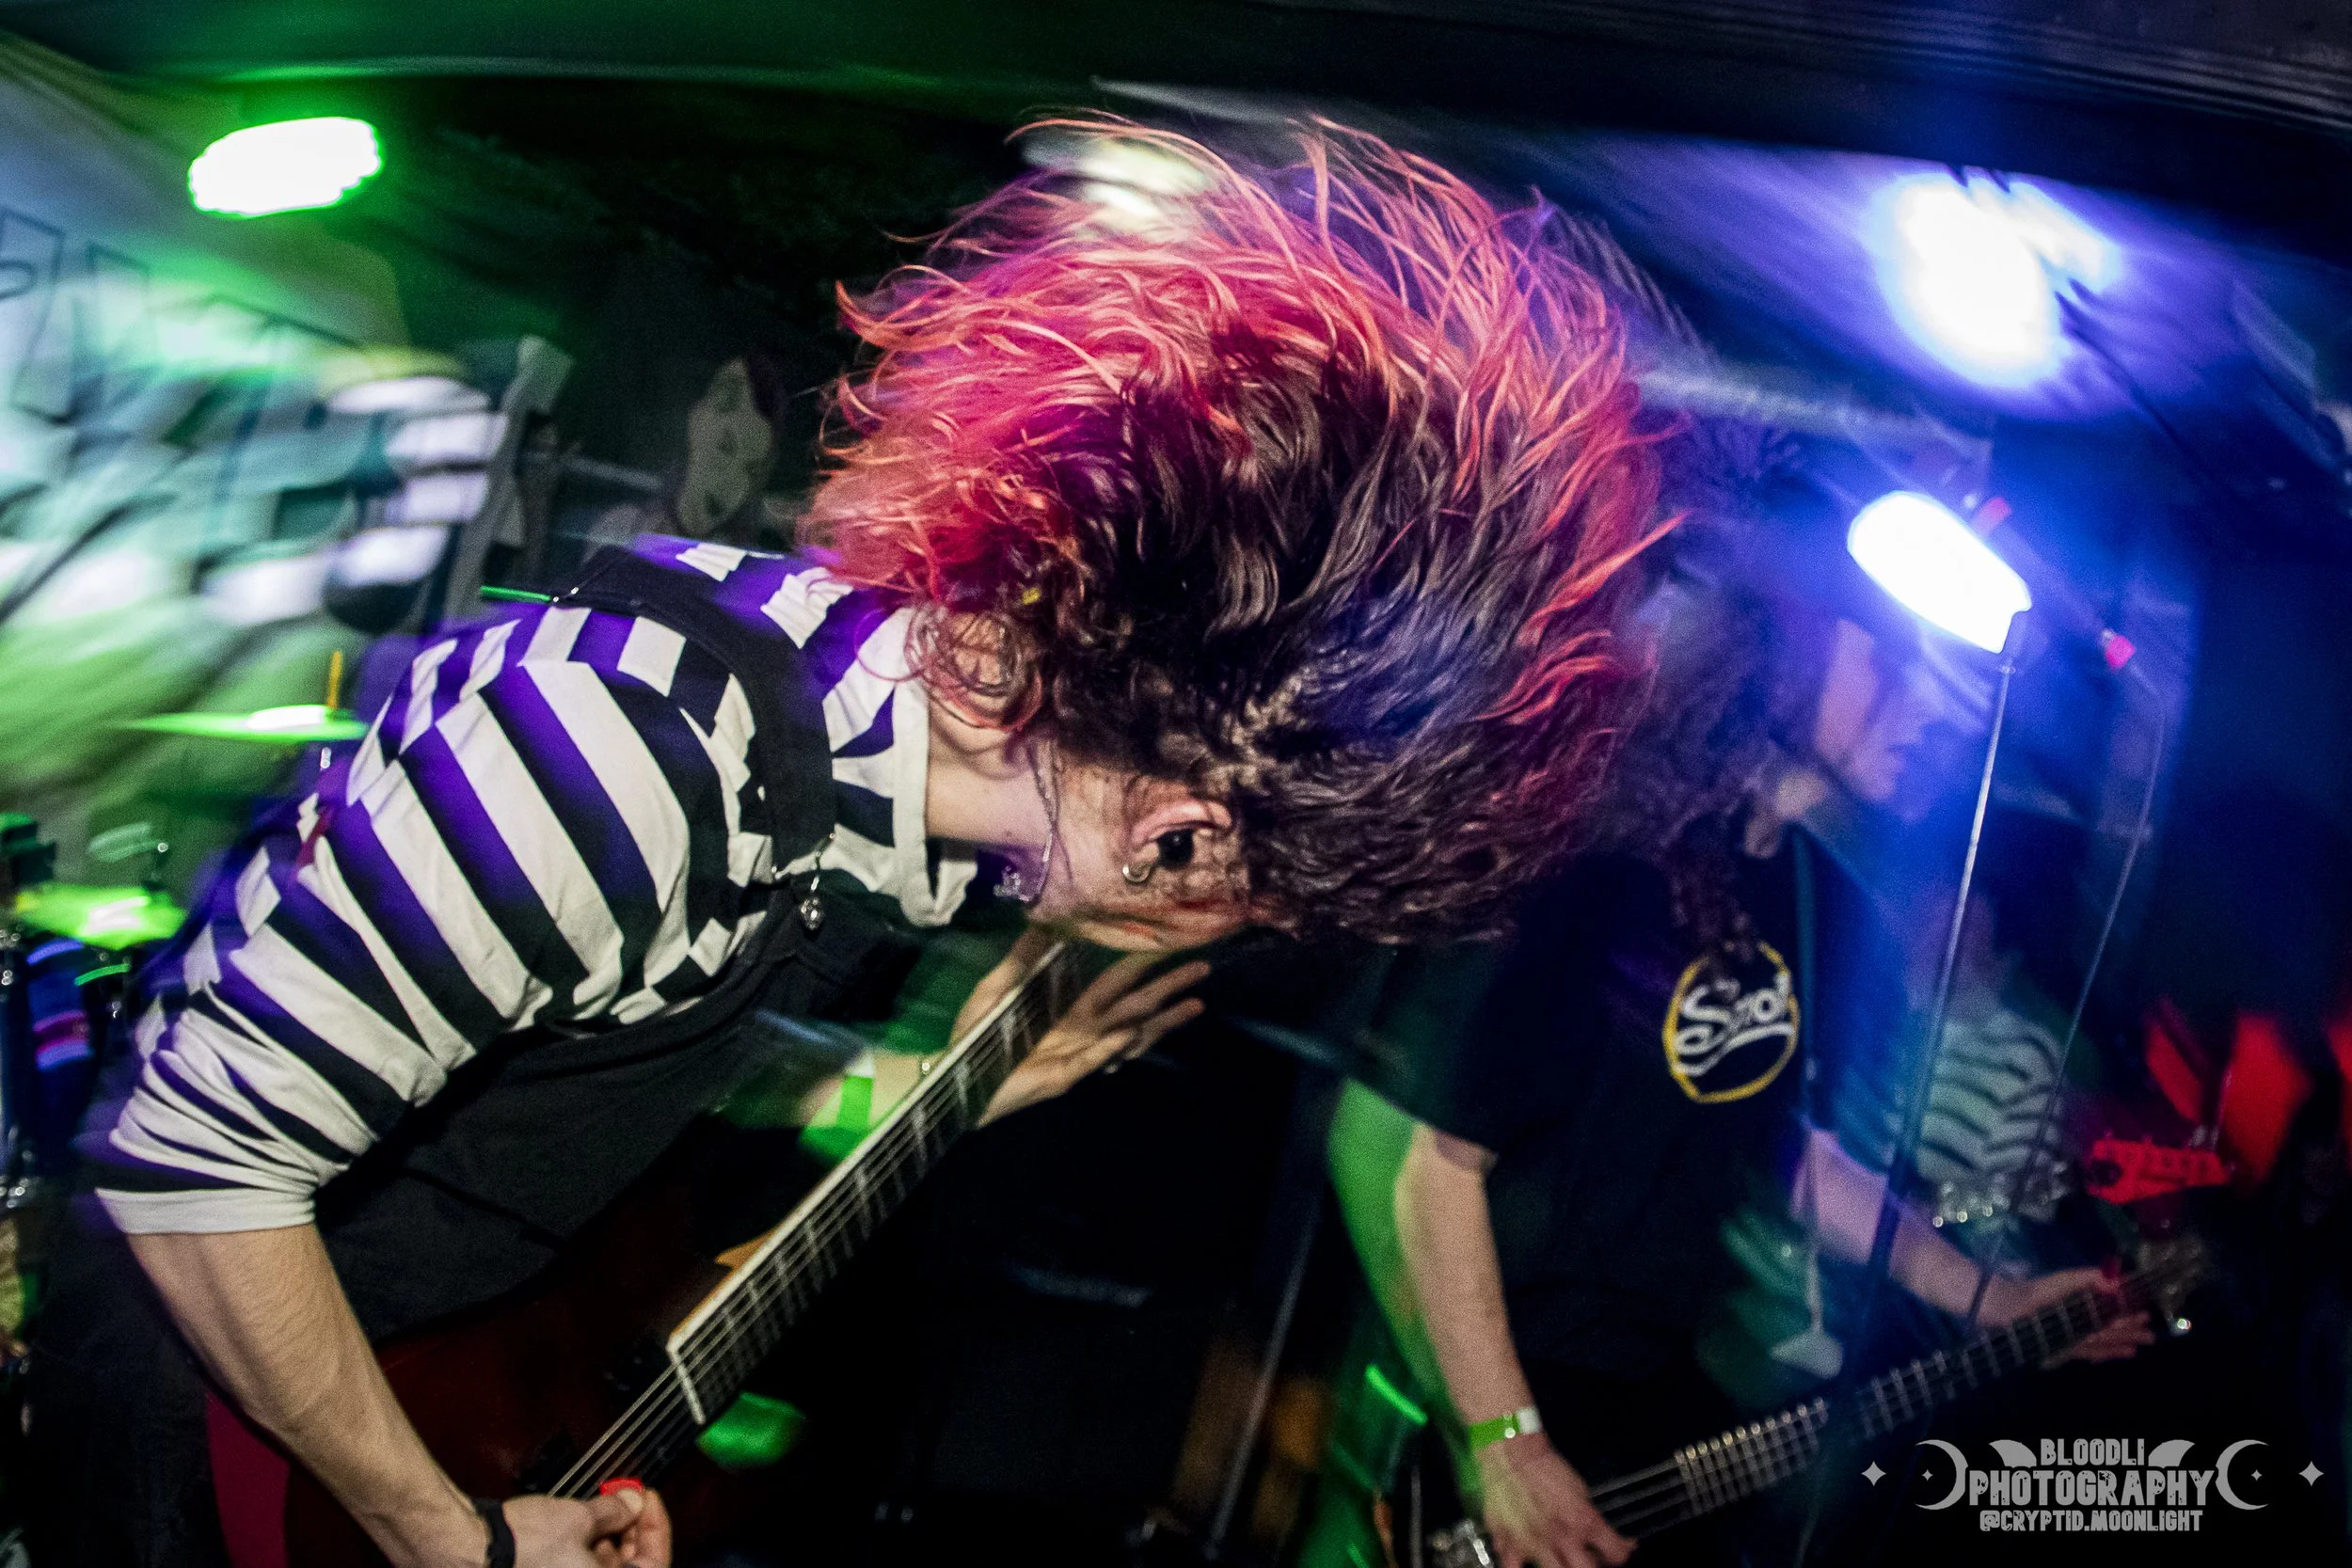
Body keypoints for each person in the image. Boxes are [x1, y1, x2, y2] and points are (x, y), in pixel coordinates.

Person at [28, 120, 1667, 1568]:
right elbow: (193, 1170)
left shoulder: (901, 798)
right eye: (1260, 892)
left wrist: (937, 1095)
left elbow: (623, 1066)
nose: (1237, 930)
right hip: (198, 1362)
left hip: (418, 1351)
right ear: (1183, 830)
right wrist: (440, 1530)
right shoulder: (620, 749)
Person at [1357, 557, 2153, 1568]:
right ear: (1786, 659)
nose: (1927, 713)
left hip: (1647, 1397)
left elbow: (1786, 1150)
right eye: (1890, 668)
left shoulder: (1814, 891)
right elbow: (1435, 1171)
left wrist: (1991, 1297)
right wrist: (1504, 1440)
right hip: (1516, 1385)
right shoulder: (1600, 864)